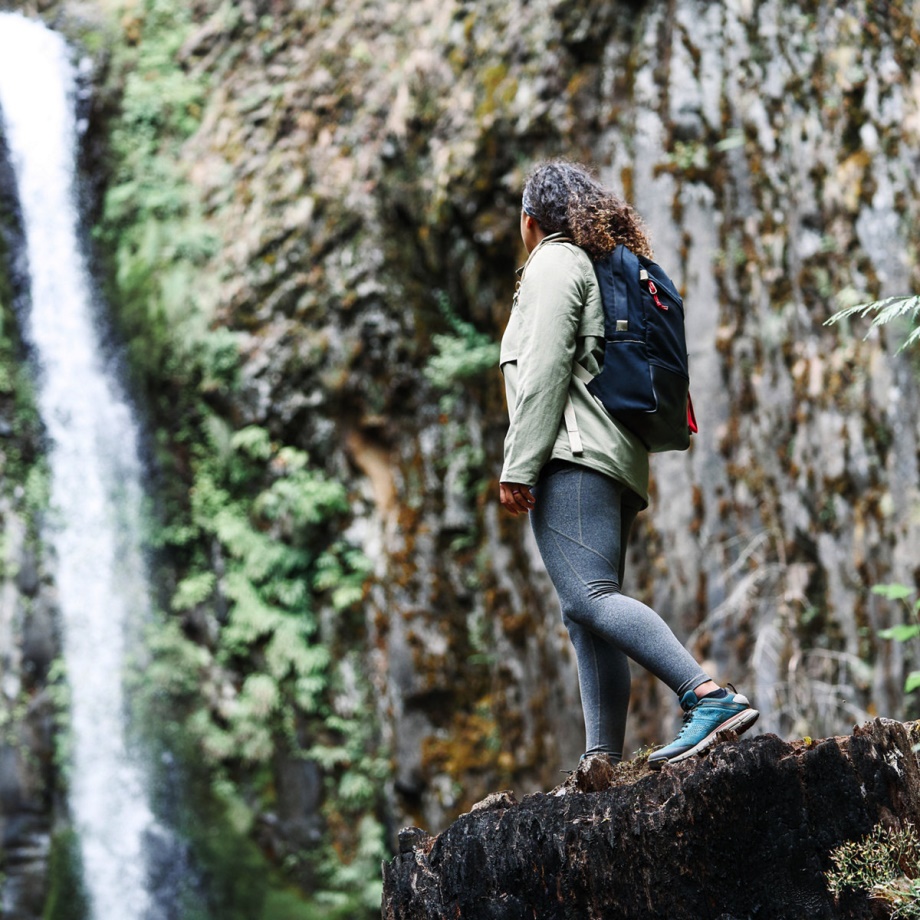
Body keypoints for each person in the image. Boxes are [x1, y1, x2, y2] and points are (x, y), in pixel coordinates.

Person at [498, 160, 758, 767]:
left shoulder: (554, 262)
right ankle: (601, 762)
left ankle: (707, 696)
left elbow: (543, 370)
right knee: (588, 611)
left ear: (530, 220)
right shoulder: (593, 265)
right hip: (615, 461)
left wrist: (519, 463)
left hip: (574, 456)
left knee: (589, 597)